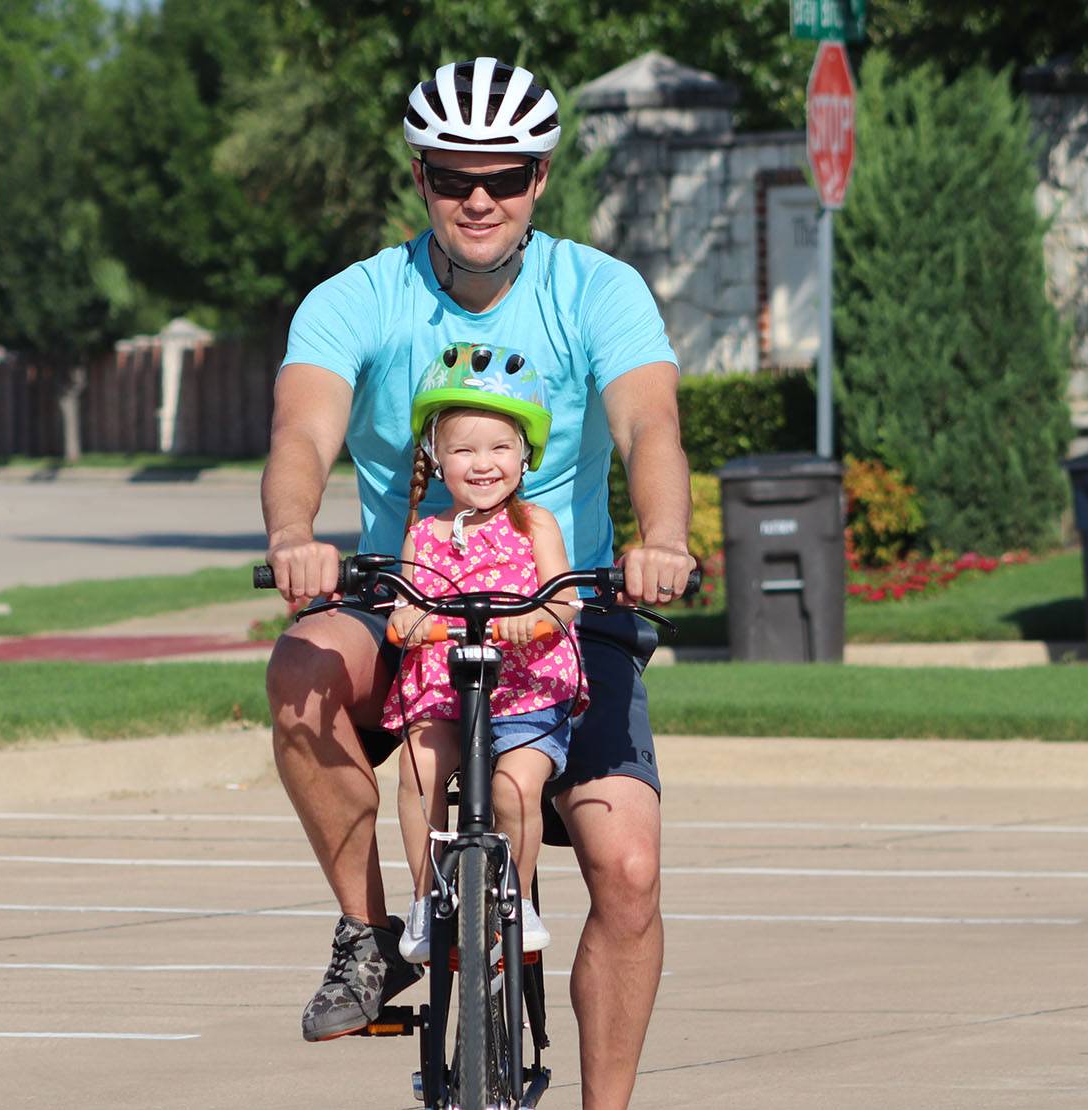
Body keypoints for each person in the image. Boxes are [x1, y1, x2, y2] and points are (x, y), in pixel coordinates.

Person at [262, 55, 695, 1109]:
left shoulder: (597, 290)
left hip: (562, 605)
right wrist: (293, 534)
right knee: (299, 666)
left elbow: (648, 424)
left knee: (628, 874)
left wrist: (664, 537)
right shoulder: (356, 298)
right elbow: (301, 429)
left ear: (539, 180)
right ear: (420, 178)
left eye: (503, 177)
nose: (479, 199)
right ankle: (373, 936)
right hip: (405, 595)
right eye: (455, 177)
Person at [384, 344, 588, 964]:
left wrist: (535, 620)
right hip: (447, 687)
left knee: (514, 787)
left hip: (524, 690)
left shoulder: (536, 524)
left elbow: (568, 600)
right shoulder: (425, 532)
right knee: (419, 770)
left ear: (524, 456)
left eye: (499, 448)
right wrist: (410, 621)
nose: (482, 464)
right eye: (463, 449)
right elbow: (404, 603)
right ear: (434, 456)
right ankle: (425, 898)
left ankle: (516, 901)